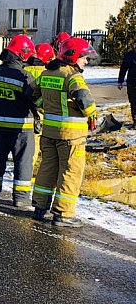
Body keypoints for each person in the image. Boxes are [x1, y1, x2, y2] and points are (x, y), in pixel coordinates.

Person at [31, 37, 97, 227]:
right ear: (72, 56)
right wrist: (93, 116)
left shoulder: (46, 73)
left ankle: (39, 207)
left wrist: (43, 106)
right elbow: (86, 103)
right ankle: (63, 214)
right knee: (70, 171)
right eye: (84, 58)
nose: (86, 61)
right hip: (71, 136)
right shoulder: (72, 76)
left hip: (49, 133)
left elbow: (31, 95)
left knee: (47, 168)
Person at [0, 34, 38, 207]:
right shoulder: (24, 76)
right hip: (22, 128)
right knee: (22, 162)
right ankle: (20, 198)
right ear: (23, 54)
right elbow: (37, 102)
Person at [24, 43, 56, 176]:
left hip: (21, 111)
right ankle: (27, 173)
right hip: (38, 113)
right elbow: (46, 95)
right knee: (34, 144)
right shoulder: (47, 73)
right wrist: (40, 106)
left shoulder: (24, 68)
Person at [117, 40, 136, 128]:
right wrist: (120, 81)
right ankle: (135, 121)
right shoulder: (129, 55)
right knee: (133, 102)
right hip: (131, 82)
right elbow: (123, 68)